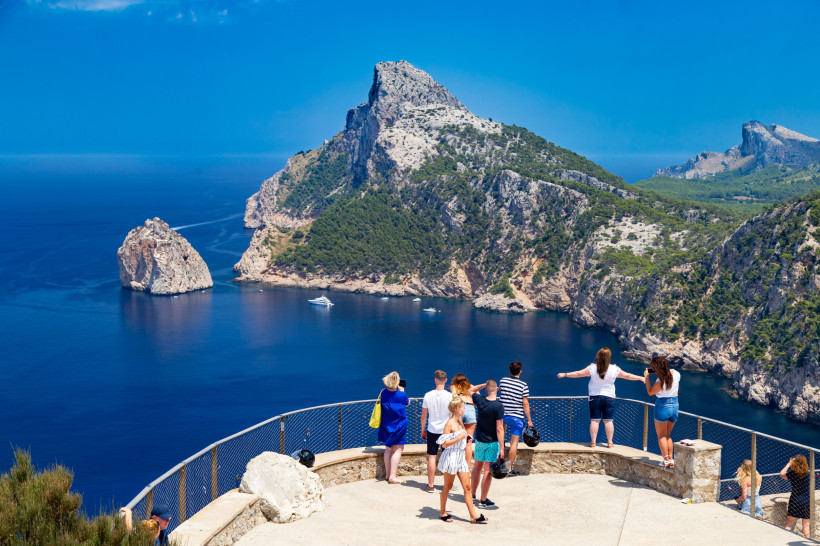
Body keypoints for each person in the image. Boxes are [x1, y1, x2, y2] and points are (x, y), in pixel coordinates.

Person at [557, 347, 644, 448]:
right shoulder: (615, 369)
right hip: (609, 397)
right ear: (609, 358)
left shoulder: (592, 368)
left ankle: (593, 443)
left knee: (594, 420)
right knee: (608, 420)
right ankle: (610, 442)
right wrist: (640, 378)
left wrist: (565, 374)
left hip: (595, 397)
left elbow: (578, 374)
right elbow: (627, 376)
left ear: (598, 356)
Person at [437, 394, 487, 524]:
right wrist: (459, 438)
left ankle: (473, 516)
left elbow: (463, 437)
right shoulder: (449, 423)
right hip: (451, 457)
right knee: (447, 487)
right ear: (456, 408)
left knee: (468, 487)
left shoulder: (460, 421)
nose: (464, 410)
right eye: (463, 407)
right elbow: (444, 444)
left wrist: (467, 439)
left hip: (460, 457)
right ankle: (442, 512)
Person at [470, 380, 504, 508]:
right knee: (487, 471)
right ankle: (483, 501)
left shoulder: (480, 400)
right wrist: (501, 447)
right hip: (492, 443)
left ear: (485, 390)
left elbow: (471, 390)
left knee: (477, 467)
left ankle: (472, 495)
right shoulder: (499, 406)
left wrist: (483, 384)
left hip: (479, 440)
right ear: (498, 390)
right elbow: (499, 428)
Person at [643, 356, 680, 468]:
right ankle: (671, 459)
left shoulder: (660, 380)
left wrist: (647, 378)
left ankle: (666, 461)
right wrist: (656, 370)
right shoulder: (677, 374)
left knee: (661, 436)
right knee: (668, 435)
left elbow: (650, 392)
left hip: (662, 406)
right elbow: (667, 373)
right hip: (675, 405)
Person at [421, 370, 453, 493]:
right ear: (445, 380)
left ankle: (431, 485)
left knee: (432, 457)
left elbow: (423, 416)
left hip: (432, 430)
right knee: (448, 457)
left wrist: (423, 430)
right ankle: (447, 485)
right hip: (446, 431)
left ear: (435, 380)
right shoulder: (450, 396)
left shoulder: (428, 395)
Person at [498, 361, 533, 473]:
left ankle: (499, 460)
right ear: (520, 372)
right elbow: (525, 403)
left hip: (502, 415)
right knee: (514, 443)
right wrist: (529, 420)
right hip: (517, 417)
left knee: (501, 436)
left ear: (509, 371)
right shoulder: (524, 385)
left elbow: (503, 394)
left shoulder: (502, 381)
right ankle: (508, 467)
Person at [378, 371, 409, 484]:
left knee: (388, 448)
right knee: (398, 449)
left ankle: (387, 474)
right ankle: (392, 476)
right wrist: (402, 391)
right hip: (399, 425)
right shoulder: (401, 395)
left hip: (387, 425)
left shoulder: (383, 393)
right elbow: (407, 402)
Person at [450, 374, 477, 470]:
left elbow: (454, 398)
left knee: (457, 441)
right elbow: (477, 399)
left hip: (460, 410)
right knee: (468, 442)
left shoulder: (453, 387)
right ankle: (467, 469)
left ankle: (457, 466)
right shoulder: (472, 387)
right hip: (470, 410)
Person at [780, 454, 811, 538]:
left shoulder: (792, 474)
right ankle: (807, 541)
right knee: (806, 525)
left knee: (789, 523)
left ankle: (785, 540)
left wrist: (789, 464)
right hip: (806, 501)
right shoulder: (808, 474)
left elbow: (782, 474)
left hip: (795, 500)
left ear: (795, 463)